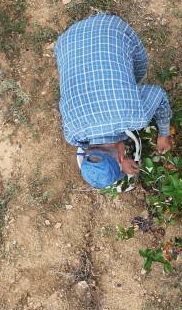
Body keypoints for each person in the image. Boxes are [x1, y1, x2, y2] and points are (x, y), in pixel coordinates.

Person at [55, 14, 173, 188]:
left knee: (137, 72)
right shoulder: (73, 134)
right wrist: (119, 160)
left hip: (112, 27)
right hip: (66, 42)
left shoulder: (135, 116)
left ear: (119, 156)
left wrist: (164, 134)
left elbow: (159, 94)